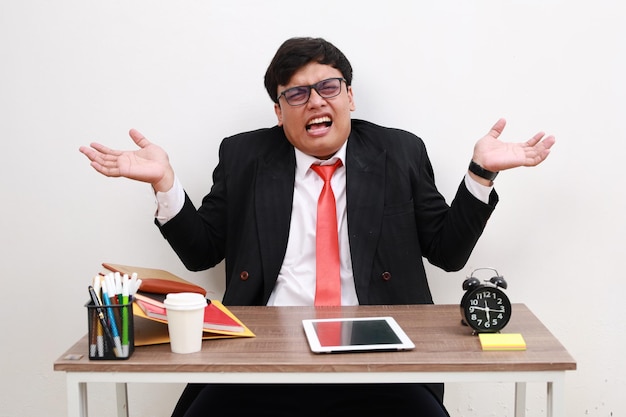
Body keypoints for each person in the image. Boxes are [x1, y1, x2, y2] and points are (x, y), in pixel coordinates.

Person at [79, 37, 555, 417]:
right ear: (278, 110)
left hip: (380, 363)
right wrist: (164, 182)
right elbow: (202, 252)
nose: (314, 102)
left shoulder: (399, 152)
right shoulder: (245, 156)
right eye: (296, 93)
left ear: (349, 95)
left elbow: (447, 254)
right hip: (262, 359)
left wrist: (480, 174)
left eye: (328, 87)